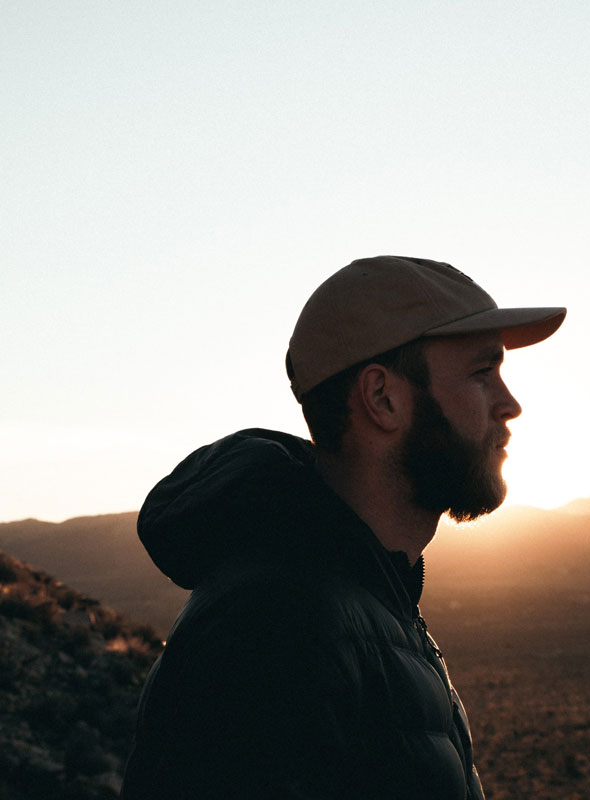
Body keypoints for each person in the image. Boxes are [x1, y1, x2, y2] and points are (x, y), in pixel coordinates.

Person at [121, 255, 566, 799]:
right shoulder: (275, 627)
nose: (510, 404)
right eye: (481, 372)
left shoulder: (366, 596)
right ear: (382, 398)